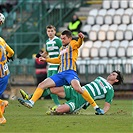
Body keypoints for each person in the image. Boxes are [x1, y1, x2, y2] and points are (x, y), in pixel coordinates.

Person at [18, 30, 103, 115]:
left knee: (78, 89)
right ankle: (31, 102)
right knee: (42, 85)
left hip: (70, 73)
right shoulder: (62, 48)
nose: (62, 40)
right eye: (61, 38)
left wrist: (81, 38)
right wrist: (46, 59)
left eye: (64, 38)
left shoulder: (73, 43)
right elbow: (59, 60)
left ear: (69, 38)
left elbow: (79, 44)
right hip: (61, 74)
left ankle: (96, 107)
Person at [20, 25, 62, 107]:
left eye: (52, 31)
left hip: (57, 66)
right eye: (48, 31)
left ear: (55, 32)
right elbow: (46, 53)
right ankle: (58, 106)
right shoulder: (47, 42)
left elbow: (63, 50)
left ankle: (31, 97)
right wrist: (40, 55)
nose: (50, 33)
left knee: (51, 86)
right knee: (50, 87)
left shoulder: (58, 41)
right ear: (46, 32)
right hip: (50, 67)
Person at [47, 70, 123, 115]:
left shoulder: (110, 90)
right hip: (77, 90)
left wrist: (103, 111)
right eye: (111, 73)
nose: (110, 74)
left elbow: (107, 105)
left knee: (58, 110)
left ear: (116, 80)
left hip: (81, 100)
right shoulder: (100, 78)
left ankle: (65, 109)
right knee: (53, 89)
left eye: (113, 75)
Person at [0, 14, 14, 124]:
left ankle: (1, 118)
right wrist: (7, 58)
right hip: (5, 73)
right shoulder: (2, 40)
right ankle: (2, 103)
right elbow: (12, 52)